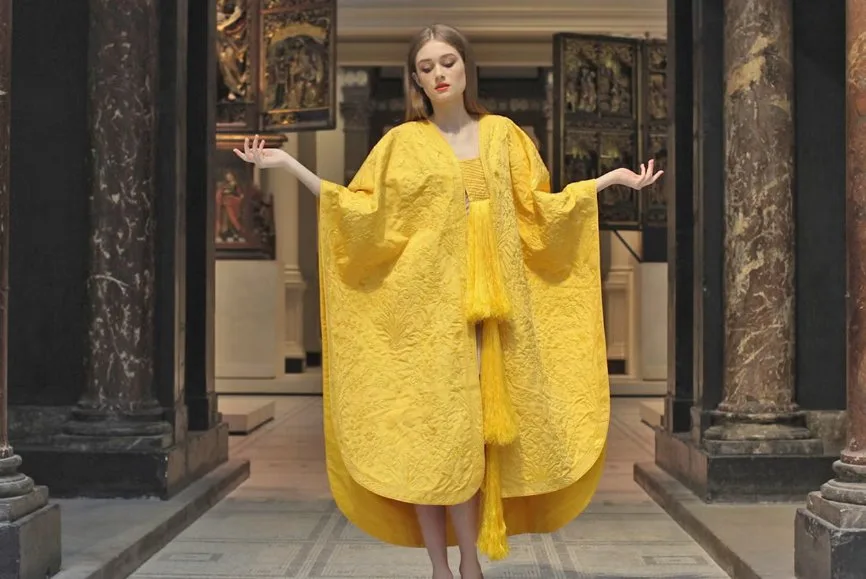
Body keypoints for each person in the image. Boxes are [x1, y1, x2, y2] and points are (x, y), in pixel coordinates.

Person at [235, 23, 662, 579]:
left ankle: (469, 565)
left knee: (477, 444)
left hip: (493, 319)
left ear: (466, 68)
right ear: (415, 79)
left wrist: (605, 182)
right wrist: (289, 167)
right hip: (426, 321)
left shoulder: (506, 135)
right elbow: (360, 214)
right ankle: (445, 566)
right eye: (427, 67)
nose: (439, 74)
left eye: (447, 62)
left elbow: (540, 213)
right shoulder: (401, 145)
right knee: (430, 441)